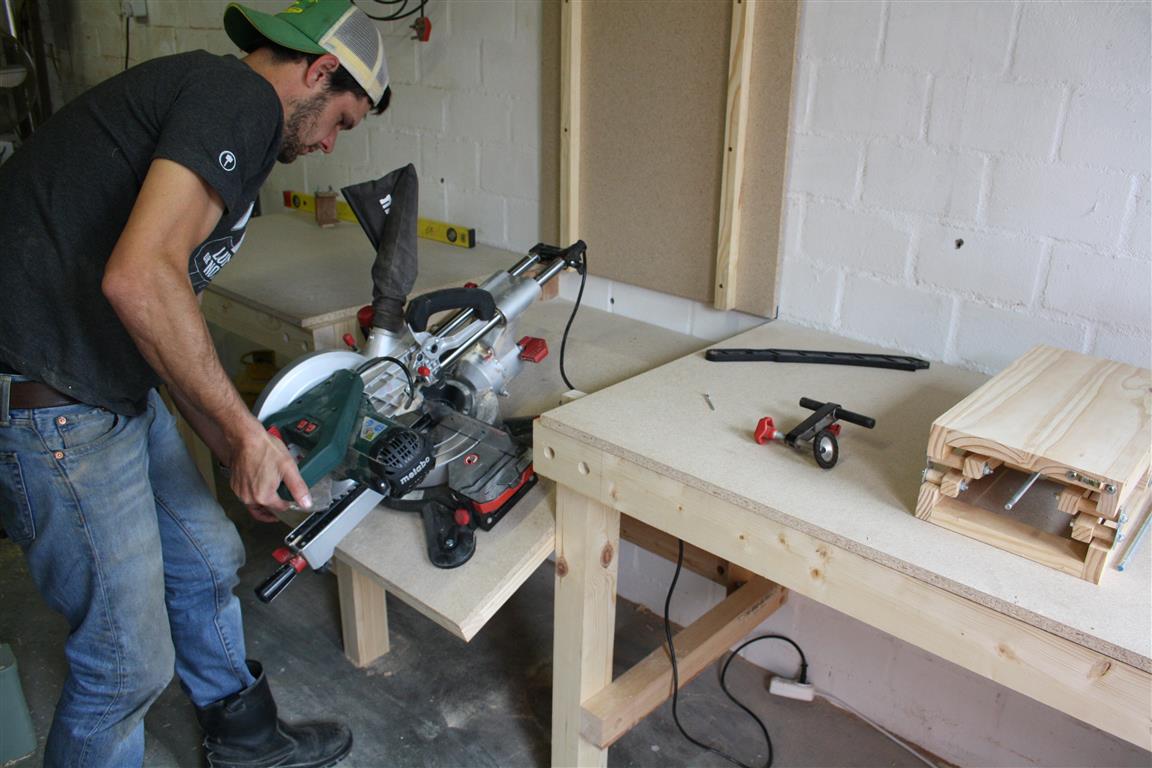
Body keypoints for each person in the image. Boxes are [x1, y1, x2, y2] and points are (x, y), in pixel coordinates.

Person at [0, 1, 391, 766]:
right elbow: (140, 279)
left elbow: (161, 312)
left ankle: (243, 738)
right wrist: (243, 435)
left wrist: (233, 443)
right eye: (339, 120)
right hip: (54, 406)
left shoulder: (209, 104)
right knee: (125, 663)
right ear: (316, 72)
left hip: (107, 379)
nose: (324, 143)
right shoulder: (240, 100)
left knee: (208, 554)